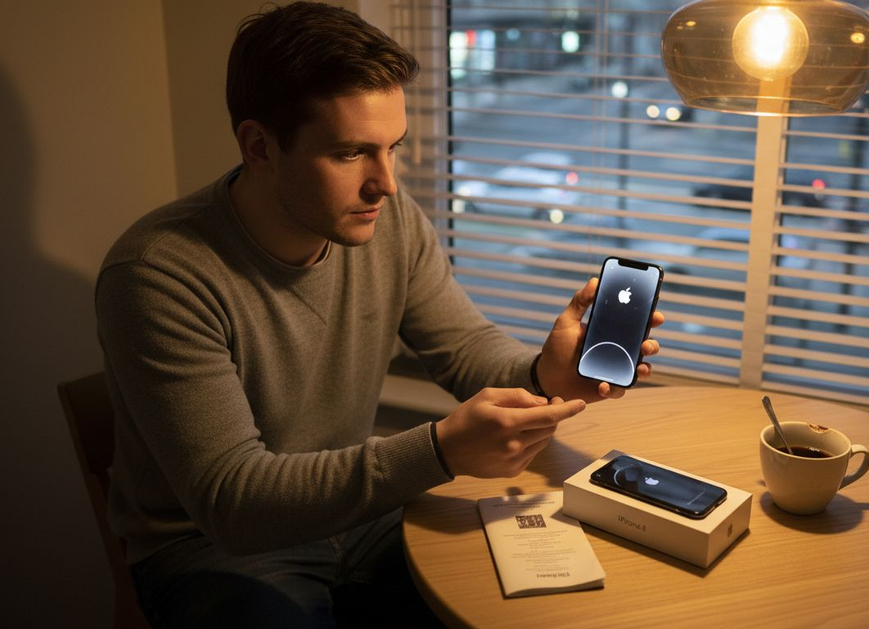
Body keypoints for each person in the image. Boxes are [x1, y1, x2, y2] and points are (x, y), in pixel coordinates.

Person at [94, 2, 662, 627]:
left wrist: (546, 374)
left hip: (360, 520)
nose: (386, 184)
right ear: (259, 145)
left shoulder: (386, 223)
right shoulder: (157, 274)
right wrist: (440, 451)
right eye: (350, 153)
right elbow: (234, 502)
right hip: (215, 551)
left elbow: (464, 348)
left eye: (392, 147)